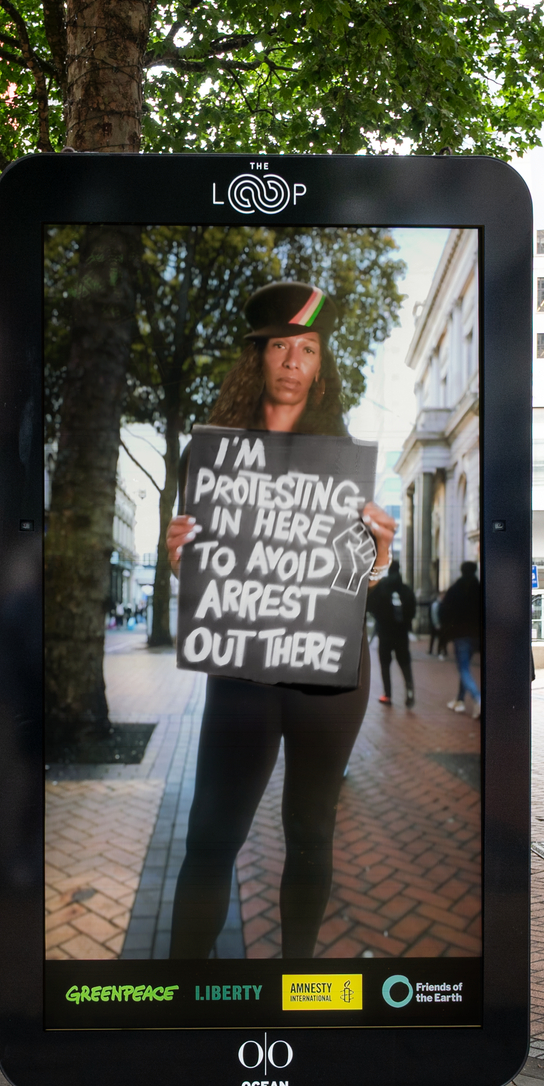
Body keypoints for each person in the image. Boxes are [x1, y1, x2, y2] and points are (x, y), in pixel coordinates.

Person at [162, 281, 397, 959]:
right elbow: (202, 569)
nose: (294, 360)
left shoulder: (342, 464)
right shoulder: (211, 457)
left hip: (330, 666)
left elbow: (351, 582)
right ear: (257, 357)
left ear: (322, 366)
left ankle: (294, 983)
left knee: (311, 828)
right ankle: (182, 994)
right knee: (210, 834)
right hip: (244, 667)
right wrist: (181, 562)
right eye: (280, 346)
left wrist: (375, 562)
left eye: (309, 348)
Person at [370, 560, 417, 707]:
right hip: (401, 633)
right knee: (404, 663)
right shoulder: (406, 589)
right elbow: (412, 610)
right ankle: (409, 693)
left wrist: (380, 618)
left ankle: (387, 695)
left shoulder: (381, 588)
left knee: (385, 664)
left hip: (384, 632)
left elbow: (371, 605)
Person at [440, 560, 484, 715]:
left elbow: (444, 611)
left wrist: (446, 632)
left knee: (463, 668)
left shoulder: (455, 589)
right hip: (476, 635)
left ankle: (478, 699)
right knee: (464, 668)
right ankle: (459, 699)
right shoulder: (480, 589)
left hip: (460, 635)